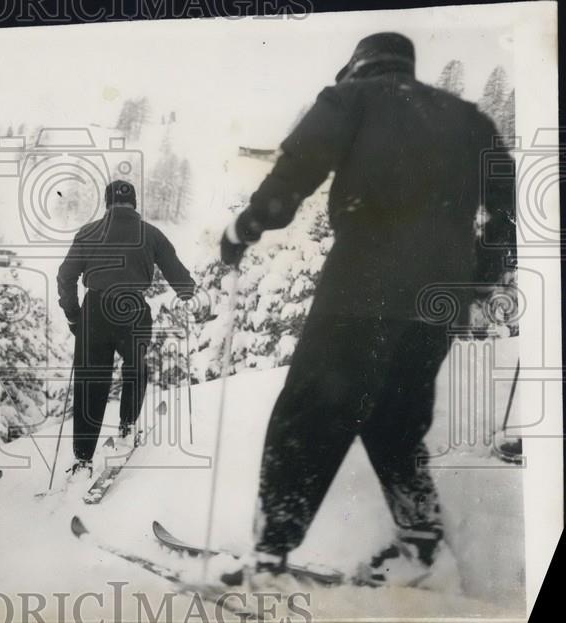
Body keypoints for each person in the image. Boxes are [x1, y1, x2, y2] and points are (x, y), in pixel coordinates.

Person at [218, 32, 516, 587]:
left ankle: (267, 556)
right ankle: (423, 548)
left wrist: (244, 228)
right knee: (395, 422)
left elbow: (298, 168)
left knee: (310, 414)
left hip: (362, 289)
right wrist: (481, 278)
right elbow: (508, 206)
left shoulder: (351, 100)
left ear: (358, 67)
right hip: (439, 301)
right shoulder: (471, 119)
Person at [57, 179, 196, 478]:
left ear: (107, 203)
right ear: (134, 203)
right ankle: (127, 426)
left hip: (94, 310)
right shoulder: (152, 234)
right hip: (132, 308)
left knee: (90, 382)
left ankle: (83, 460)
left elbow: (65, 276)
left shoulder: (88, 232)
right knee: (136, 368)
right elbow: (180, 278)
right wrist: (188, 292)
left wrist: (73, 315)